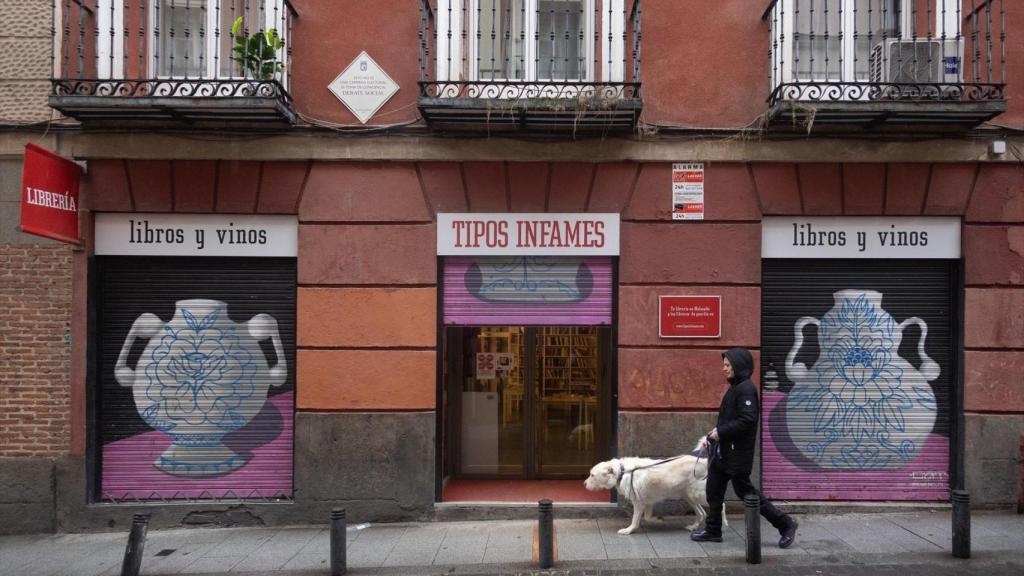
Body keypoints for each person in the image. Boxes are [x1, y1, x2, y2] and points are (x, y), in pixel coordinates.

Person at [690, 347, 799, 548]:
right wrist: (714, 434)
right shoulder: (736, 388)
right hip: (722, 452)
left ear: (739, 366)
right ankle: (713, 530)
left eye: (727, 365)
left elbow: (748, 420)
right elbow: (732, 419)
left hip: (736, 455)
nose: (723, 369)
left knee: (747, 494)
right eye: (723, 365)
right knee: (713, 490)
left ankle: (786, 524)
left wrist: (721, 432)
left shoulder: (746, 389)